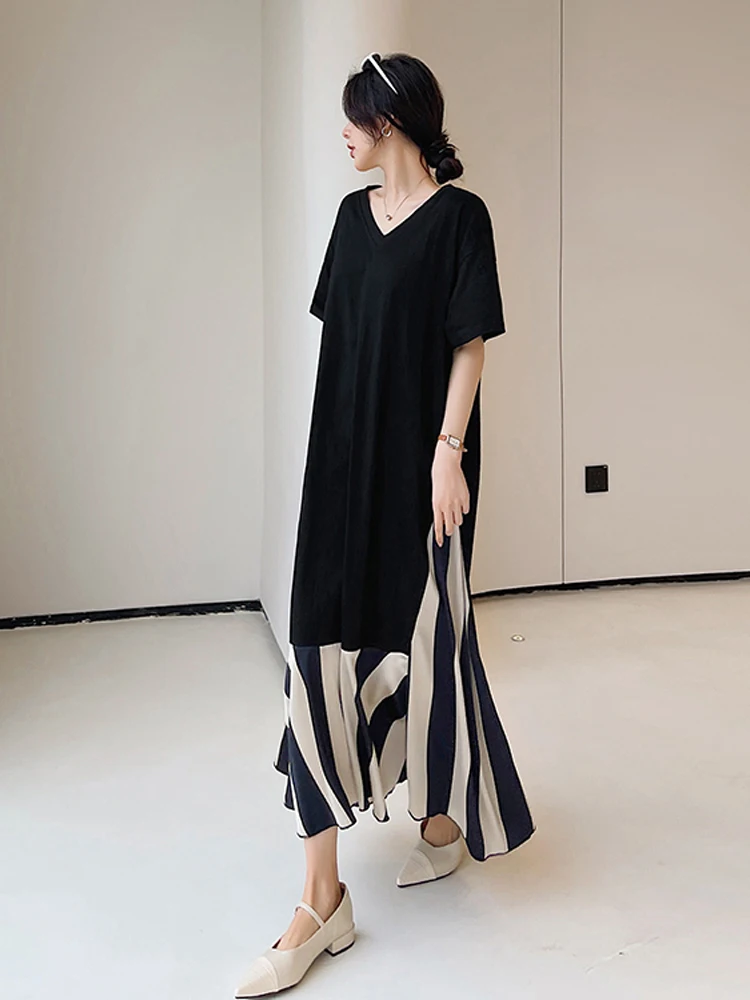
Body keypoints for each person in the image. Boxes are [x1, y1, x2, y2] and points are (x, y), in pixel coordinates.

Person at [235, 51, 535, 999]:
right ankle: (321, 901)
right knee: (319, 649)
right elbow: (345, 348)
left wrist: (448, 453)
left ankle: (441, 819)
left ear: (391, 120)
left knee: (427, 641)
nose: (344, 134)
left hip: (424, 470)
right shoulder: (348, 219)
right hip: (341, 469)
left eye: (354, 118)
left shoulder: (461, 219)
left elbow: (469, 343)